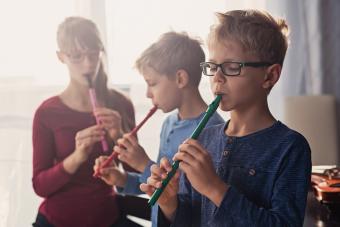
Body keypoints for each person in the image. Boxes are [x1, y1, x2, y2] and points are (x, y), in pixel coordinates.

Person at [140, 10, 312, 226]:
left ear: (270, 75)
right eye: (212, 67)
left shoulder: (290, 148)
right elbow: (191, 220)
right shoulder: (204, 138)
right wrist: (169, 204)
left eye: (231, 67)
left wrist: (215, 188)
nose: (217, 79)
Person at [94, 31, 224, 226]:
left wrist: (143, 163)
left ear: (180, 79)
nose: (148, 94)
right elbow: (155, 183)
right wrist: (122, 179)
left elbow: (188, 200)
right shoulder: (169, 123)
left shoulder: (213, 130)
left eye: (152, 83)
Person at [32, 16, 139, 227]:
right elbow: (40, 186)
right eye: (77, 56)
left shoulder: (120, 104)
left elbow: (137, 176)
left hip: (107, 217)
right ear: (61, 57)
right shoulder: (47, 112)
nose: (88, 64)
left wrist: (118, 136)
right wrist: (76, 157)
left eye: (93, 54)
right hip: (56, 220)